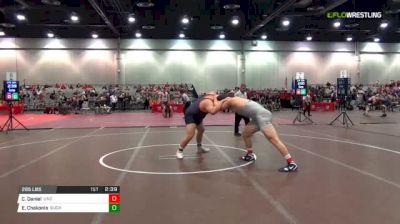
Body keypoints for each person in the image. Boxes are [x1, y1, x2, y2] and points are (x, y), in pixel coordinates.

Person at [218, 96, 298, 172]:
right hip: (257, 117)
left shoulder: (229, 101)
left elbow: (214, 110)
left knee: (273, 139)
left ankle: (291, 163)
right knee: (246, 134)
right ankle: (250, 155)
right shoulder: (234, 99)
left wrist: (215, 100)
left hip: (262, 116)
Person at [176, 92, 222, 159]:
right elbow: (213, 111)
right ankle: (179, 151)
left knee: (201, 129)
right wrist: (220, 102)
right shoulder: (208, 102)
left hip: (198, 115)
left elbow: (214, 93)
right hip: (191, 115)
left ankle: (199, 147)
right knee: (190, 135)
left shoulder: (212, 95)